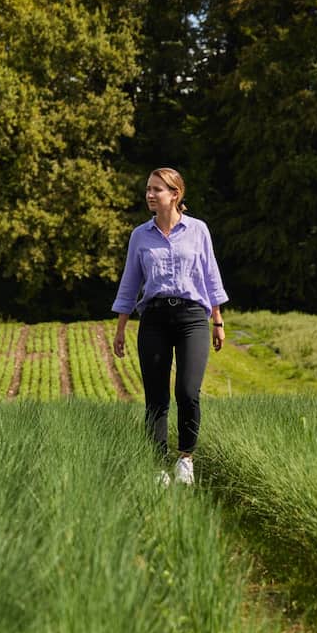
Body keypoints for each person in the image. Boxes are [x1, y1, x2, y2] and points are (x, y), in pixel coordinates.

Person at [112, 167, 228, 484]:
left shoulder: (198, 230)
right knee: (156, 397)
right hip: (154, 319)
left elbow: (210, 275)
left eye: (157, 189)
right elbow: (129, 283)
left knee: (188, 391)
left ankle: (185, 459)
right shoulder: (140, 236)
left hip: (192, 317)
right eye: (148, 189)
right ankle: (159, 466)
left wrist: (217, 319)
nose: (150, 194)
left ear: (175, 194)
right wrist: (121, 327)